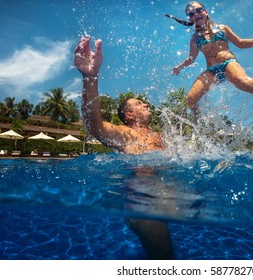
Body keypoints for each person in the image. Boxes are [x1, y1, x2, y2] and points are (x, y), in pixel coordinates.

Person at [74, 35, 174, 259]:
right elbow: (95, 126)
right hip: (141, 201)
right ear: (129, 115)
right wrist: (90, 77)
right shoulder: (125, 134)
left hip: (170, 192)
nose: (145, 103)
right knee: (166, 259)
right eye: (139, 104)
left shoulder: (162, 136)